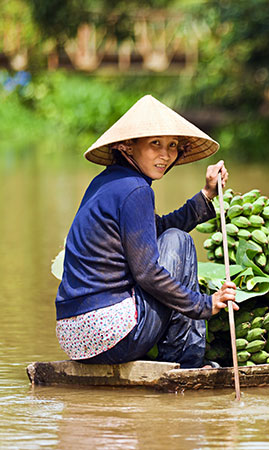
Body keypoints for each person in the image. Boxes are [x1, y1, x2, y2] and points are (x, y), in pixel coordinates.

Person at [55, 94, 237, 369]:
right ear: (127, 146)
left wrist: (206, 196)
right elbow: (147, 273)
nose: (166, 155)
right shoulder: (136, 189)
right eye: (155, 145)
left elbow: (154, 230)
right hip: (109, 334)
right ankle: (185, 360)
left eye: (172, 146)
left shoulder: (107, 182)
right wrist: (204, 304)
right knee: (180, 241)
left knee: (171, 236)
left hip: (74, 337)